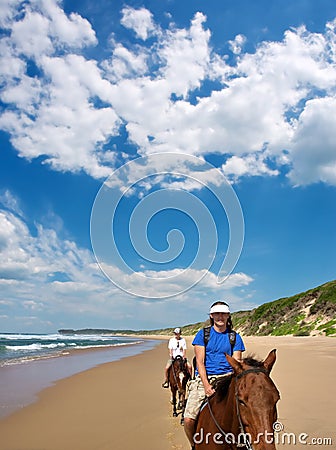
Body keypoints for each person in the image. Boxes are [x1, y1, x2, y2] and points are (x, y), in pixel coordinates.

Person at [183, 301, 245, 449]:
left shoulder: (234, 337)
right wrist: (206, 385)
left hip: (228, 377)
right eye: (217, 313)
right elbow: (200, 362)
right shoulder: (203, 334)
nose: (220, 317)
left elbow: (237, 364)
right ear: (211, 315)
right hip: (205, 378)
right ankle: (194, 445)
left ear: (228, 315)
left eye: (223, 313)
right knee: (188, 419)